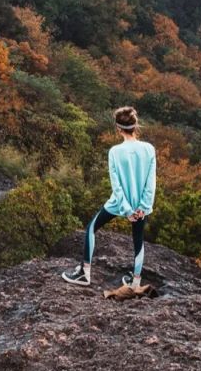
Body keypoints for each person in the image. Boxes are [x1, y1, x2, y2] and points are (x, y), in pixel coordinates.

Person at [62, 106, 156, 298]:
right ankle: (135, 282)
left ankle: (84, 273)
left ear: (118, 129)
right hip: (140, 207)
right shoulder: (149, 149)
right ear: (135, 126)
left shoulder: (115, 151)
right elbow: (150, 183)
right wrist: (142, 208)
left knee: (91, 228)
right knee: (138, 241)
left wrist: (127, 209)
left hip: (119, 203)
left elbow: (117, 186)